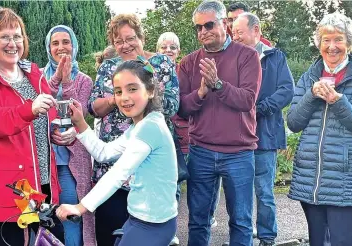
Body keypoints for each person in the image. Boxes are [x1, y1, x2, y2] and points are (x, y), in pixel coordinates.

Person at [0, 8, 74, 246]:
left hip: (41, 182)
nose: (12, 43)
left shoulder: (33, 73)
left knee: (54, 240)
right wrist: (29, 109)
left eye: (17, 36)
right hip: (13, 188)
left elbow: (43, 120)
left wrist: (58, 134)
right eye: (4, 36)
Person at [56, 60, 178, 246]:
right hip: (139, 219)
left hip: (152, 225)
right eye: (118, 91)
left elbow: (119, 173)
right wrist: (81, 123)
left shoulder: (150, 128)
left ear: (150, 91)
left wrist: (80, 207)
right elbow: (104, 153)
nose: (124, 97)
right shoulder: (140, 126)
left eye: (132, 89)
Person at [286, 13, 352, 246]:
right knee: (318, 242)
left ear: (348, 43)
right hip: (311, 179)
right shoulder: (309, 76)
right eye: (326, 40)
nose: (332, 46)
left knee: (345, 242)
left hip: (343, 179)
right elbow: (293, 123)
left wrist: (339, 101)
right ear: (319, 44)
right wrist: (311, 95)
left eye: (338, 39)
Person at [87, 13, 180, 246]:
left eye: (130, 38)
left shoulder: (161, 64)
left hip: (148, 160)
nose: (125, 45)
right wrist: (118, 98)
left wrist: (143, 88)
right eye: (118, 41)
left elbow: (172, 105)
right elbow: (93, 107)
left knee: (146, 231)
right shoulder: (108, 67)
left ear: (142, 37)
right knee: (111, 233)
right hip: (112, 154)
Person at [178, 1, 262, 245]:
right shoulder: (189, 62)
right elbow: (182, 108)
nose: (203, 31)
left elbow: (248, 100)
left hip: (239, 152)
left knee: (241, 221)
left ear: (225, 23)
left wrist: (218, 85)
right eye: (198, 27)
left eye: (209, 25)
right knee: (198, 220)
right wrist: (202, 93)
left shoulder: (248, 57)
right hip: (201, 151)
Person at [232, 12, 294, 246]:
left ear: (256, 30)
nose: (235, 37)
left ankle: (267, 236)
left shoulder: (276, 57)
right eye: (233, 33)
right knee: (239, 192)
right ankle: (242, 235)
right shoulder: (232, 58)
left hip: (265, 135)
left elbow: (287, 90)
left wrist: (259, 108)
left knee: (264, 191)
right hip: (237, 137)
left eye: (239, 32)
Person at [43, 25, 96, 246]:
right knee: (40, 216)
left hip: (69, 163)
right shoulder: (38, 77)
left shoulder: (84, 80)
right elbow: (36, 112)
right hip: (44, 161)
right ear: (48, 48)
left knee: (70, 215)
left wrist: (67, 81)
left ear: (74, 46)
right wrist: (56, 79)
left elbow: (79, 112)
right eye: (55, 43)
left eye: (66, 42)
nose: (61, 47)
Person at [156, 31, 188, 246]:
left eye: (173, 47)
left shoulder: (183, 73)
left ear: (178, 51)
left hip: (180, 137)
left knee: (173, 186)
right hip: (158, 134)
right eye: (164, 47)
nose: (168, 50)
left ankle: (171, 229)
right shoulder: (150, 69)